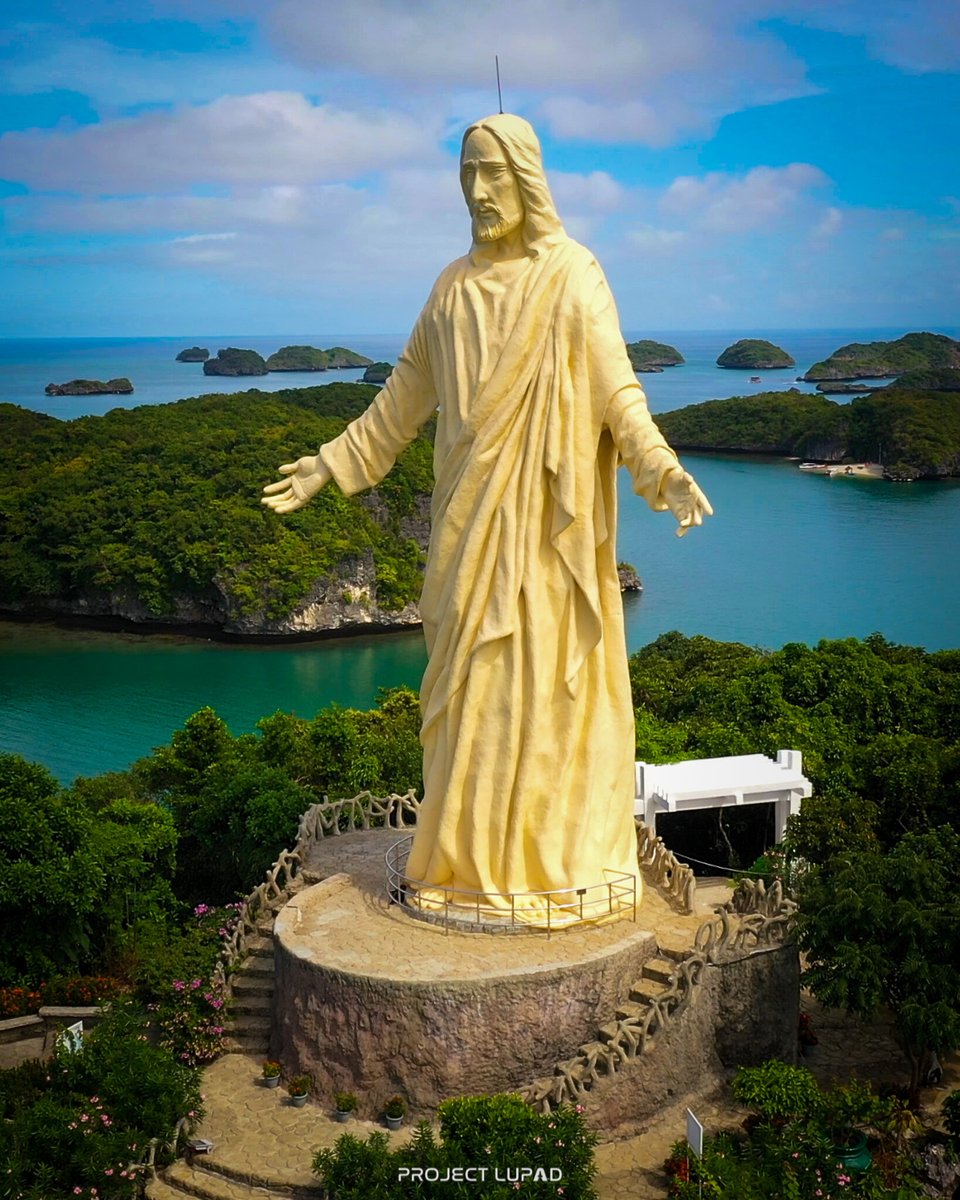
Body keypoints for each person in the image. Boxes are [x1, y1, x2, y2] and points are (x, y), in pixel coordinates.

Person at [262, 114, 711, 918]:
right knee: (466, 694)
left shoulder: (574, 276)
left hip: (546, 541)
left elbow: (618, 394)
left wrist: (660, 468)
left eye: (492, 173)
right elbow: (400, 400)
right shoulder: (451, 289)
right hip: (468, 531)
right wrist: (331, 462)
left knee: (543, 696)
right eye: (467, 173)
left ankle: (546, 867)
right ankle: (465, 867)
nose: (477, 191)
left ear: (528, 179)